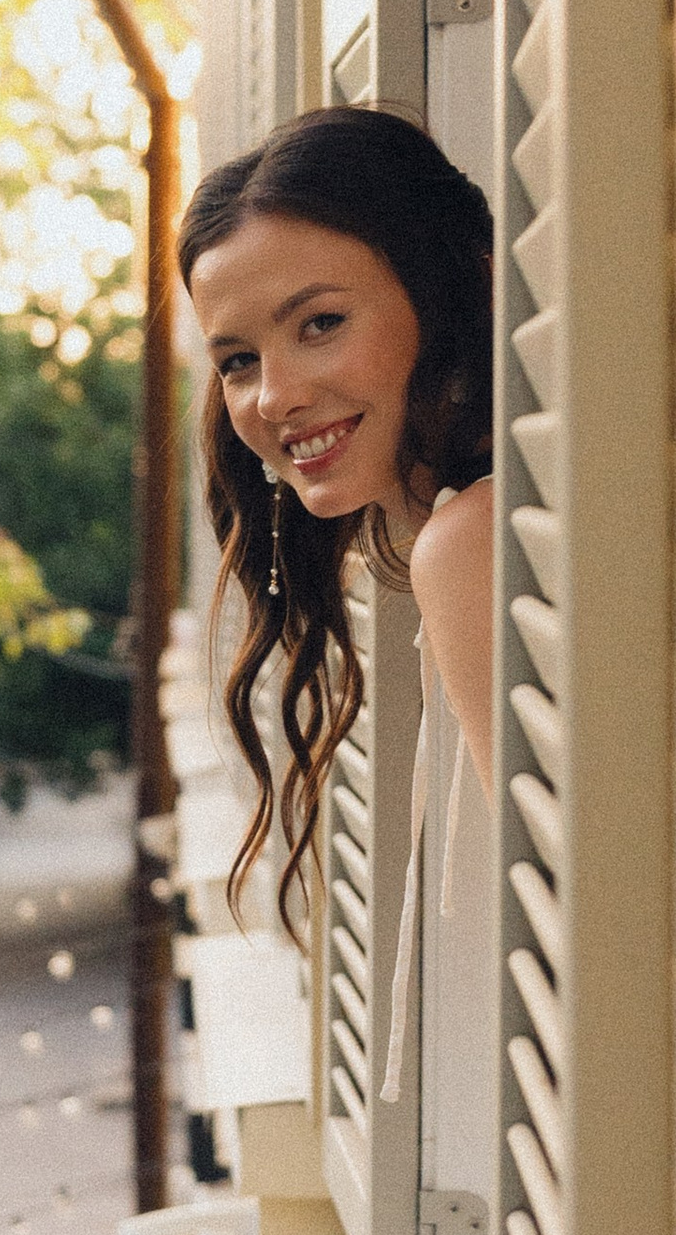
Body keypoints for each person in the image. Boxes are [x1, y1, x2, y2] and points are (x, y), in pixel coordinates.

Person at [182, 105, 496, 952]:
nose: (273, 397)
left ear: (443, 293)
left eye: (320, 324)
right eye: (238, 361)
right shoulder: (476, 524)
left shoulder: (468, 542)